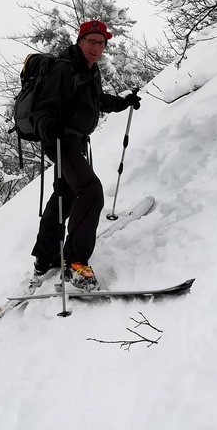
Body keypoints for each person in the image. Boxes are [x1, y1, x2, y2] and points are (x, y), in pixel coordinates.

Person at [30, 19, 141, 290]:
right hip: (60, 140)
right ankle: (76, 262)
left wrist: (123, 101)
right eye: (92, 41)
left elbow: (96, 100)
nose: (97, 47)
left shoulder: (91, 70)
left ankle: (45, 259)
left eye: (101, 43)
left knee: (66, 193)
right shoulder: (64, 68)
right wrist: (49, 127)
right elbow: (44, 107)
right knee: (90, 190)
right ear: (80, 41)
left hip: (75, 141)